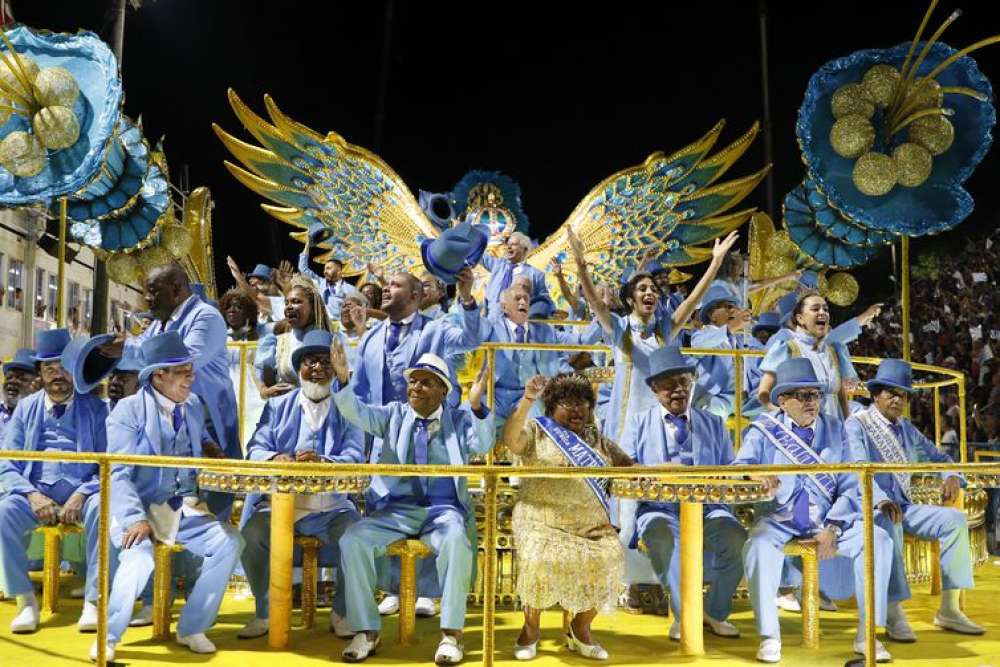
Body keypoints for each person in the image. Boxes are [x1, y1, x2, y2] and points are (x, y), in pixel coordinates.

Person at [331, 348, 493, 664]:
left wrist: (475, 405)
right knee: (353, 540)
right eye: (413, 381)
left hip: (444, 512)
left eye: (425, 383)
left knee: (457, 541)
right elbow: (356, 412)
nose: (415, 388)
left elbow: (482, 444)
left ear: (443, 390)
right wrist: (342, 379)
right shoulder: (393, 414)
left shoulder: (458, 419)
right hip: (396, 511)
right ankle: (367, 630)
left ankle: (451, 635)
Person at [735, 358, 894, 663]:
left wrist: (832, 528)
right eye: (803, 396)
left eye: (816, 395)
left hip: (831, 520)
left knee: (880, 541)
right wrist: (755, 476)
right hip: (781, 520)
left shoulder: (838, 429)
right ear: (782, 400)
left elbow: (852, 485)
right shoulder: (763, 430)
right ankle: (770, 636)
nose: (812, 403)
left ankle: (867, 635)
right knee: (757, 546)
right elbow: (741, 467)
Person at [95, 332, 241, 661]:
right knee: (139, 558)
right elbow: (117, 473)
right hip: (141, 508)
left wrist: (209, 446)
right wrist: (135, 519)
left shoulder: (190, 404)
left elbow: (198, 433)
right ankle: (108, 635)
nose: (192, 376)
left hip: (182, 507)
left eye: (191, 369)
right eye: (183, 370)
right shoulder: (127, 412)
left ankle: (192, 627)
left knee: (230, 542)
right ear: (158, 375)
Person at [237, 330, 365, 639]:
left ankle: (342, 612)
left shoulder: (349, 408)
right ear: (300, 368)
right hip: (281, 506)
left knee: (358, 537)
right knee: (250, 535)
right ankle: (265, 612)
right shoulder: (278, 406)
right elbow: (255, 447)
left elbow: (356, 456)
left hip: (332, 507)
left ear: (335, 369)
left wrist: (324, 463)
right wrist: (277, 458)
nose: (318, 368)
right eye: (310, 361)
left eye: (324, 362)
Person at [846, 359, 984, 641]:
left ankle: (949, 609)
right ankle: (894, 609)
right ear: (875, 395)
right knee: (890, 519)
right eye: (891, 393)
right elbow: (858, 469)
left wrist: (953, 476)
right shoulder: (857, 424)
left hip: (905, 506)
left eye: (903, 394)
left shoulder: (907, 429)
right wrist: (881, 500)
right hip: (869, 507)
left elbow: (940, 458)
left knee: (955, 519)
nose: (898, 399)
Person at [504, 373, 633, 661]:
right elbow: (511, 440)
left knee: (612, 555)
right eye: (568, 403)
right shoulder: (538, 431)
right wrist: (527, 401)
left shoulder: (597, 439)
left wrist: (667, 467)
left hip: (590, 526)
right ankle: (531, 630)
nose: (577, 410)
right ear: (551, 406)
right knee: (538, 559)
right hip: (540, 521)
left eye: (583, 403)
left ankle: (580, 627)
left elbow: (631, 466)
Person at [567, 227, 738, 442]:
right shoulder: (619, 328)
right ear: (631, 300)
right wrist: (581, 264)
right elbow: (595, 303)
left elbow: (693, 300)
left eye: (653, 290)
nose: (650, 292)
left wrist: (715, 263)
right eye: (642, 289)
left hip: (656, 417)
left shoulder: (664, 329)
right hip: (624, 418)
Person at [622, 346, 745, 641]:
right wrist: (653, 470)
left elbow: (730, 469)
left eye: (683, 382)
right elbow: (624, 466)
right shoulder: (638, 423)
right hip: (658, 509)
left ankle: (713, 613)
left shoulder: (714, 424)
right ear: (654, 389)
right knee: (664, 539)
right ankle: (685, 615)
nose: (677, 390)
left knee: (736, 537)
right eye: (668, 385)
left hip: (708, 508)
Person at [0, 329, 108, 634]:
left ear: (74, 369)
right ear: (40, 373)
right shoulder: (25, 408)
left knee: (104, 509)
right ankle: (24, 601)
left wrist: (83, 494)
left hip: (83, 492)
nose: (57, 374)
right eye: (49, 367)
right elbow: (7, 461)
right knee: (5, 511)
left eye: (63, 366)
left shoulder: (97, 409)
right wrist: (32, 494)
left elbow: (107, 464)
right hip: (37, 491)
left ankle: (92, 602)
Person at [103, 263, 240, 499]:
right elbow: (140, 359)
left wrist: (126, 348)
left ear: (176, 289)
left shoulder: (207, 317)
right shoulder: (158, 323)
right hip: (166, 419)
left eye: (153, 291)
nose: (146, 298)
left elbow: (181, 361)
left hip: (207, 419)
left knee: (213, 493)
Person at [757, 292, 858, 419]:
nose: (822, 312)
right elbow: (763, 393)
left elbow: (840, 395)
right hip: (800, 428)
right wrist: (782, 416)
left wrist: (846, 425)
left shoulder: (832, 351)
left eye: (825, 309)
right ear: (800, 318)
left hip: (833, 428)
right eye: (815, 309)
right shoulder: (787, 347)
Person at [255, 277, 333, 397]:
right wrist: (265, 391)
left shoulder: (331, 341)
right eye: (287, 303)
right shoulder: (275, 342)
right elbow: (264, 380)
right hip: (287, 410)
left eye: (296, 301)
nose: (289, 306)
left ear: (312, 307)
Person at [480, 232, 549, 319]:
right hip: (492, 318)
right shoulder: (497, 265)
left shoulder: (536, 275)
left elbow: (544, 300)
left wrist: (547, 312)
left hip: (517, 323)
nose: (508, 247)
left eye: (513, 244)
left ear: (524, 249)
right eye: (508, 244)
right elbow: (480, 254)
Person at [299, 236, 359, 321]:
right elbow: (303, 268)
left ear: (339, 271)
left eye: (328, 268)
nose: (324, 271)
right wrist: (307, 245)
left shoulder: (351, 290)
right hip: (322, 326)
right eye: (324, 269)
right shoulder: (320, 282)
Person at [1, 349, 37, 440]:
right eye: (8, 377)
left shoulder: (41, 416)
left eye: (21, 378)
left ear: (37, 384)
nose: (12, 381)